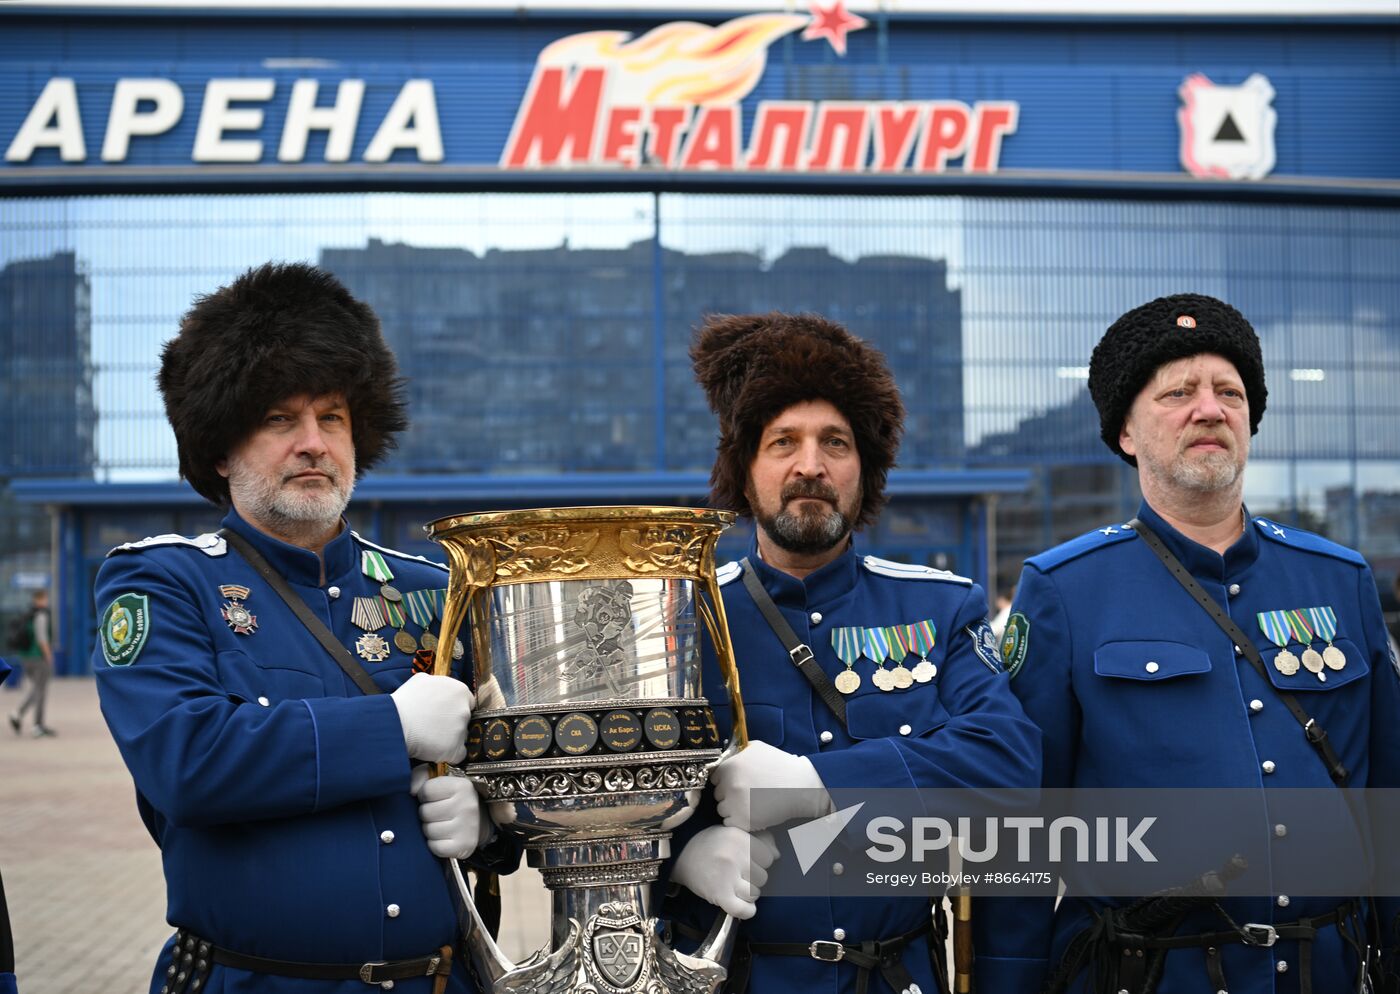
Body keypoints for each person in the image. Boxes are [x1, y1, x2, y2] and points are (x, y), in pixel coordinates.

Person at [93, 263, 504, 994]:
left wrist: (491, 820)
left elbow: (511, 763)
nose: (313, 442)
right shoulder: (163, 582)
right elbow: (188, 764)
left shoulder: (434, 589)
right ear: (222, 449)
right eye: (280, 419)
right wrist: (390, 729)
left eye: (333, 418)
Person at [974, 293, 1400, 993]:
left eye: (1229, 393)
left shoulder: (1339, 580)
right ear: (1126, 435)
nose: (1210, 409)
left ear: (1250, 422)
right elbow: (1021, 825)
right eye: (1178, 392)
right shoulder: (1064, 589)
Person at [666, 312, 1041, 994]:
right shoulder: (681, 619)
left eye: (834, 443)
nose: (811, 464)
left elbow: (1008, 767)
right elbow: (603, 798)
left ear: (864, 472)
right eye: (783, 442)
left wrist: (819, 785)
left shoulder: (940, 608)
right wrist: (678, 857)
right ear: (744, 474)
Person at [8, 589, 55, 738]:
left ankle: (18, 714)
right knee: (41, 690)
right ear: (41, 599)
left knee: (37, 688)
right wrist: (48, 655)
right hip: (38, 658)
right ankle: (37, 725)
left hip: (25, 657)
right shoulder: (41, 614)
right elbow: (42, 638)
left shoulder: (28, 614)